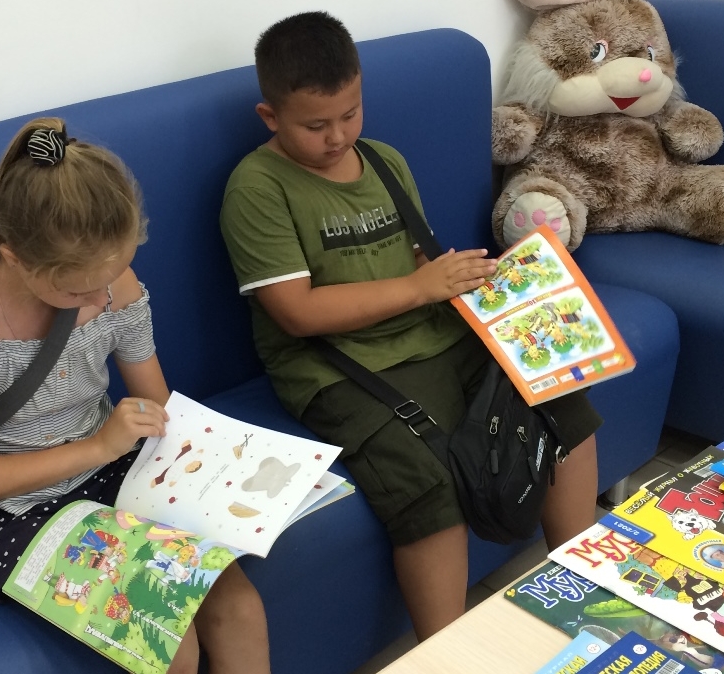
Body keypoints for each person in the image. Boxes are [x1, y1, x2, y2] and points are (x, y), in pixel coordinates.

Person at [219, 12, 602, 641]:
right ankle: (443, 651)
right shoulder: (257, 187)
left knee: (559, 399)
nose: (337, 136)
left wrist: (492, 283)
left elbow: (420, 263)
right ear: (270, 116)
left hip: (430, 333)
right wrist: (421, 287)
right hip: (334, 365)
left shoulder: (384, 161)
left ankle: (580, 585)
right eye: (315, 126)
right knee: (428, 485)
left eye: (350, 114)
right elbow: (296, 312)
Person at [0, 117, 270, 674]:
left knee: (239, 609)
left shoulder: (110, 279)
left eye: (113, 274)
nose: (102, 299)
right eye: (78, 290)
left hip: (113, 473)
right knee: (169, 642)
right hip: (11, 509)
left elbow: (161, 406)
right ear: (15, 259)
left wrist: (223, 469)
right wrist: (98, 447)